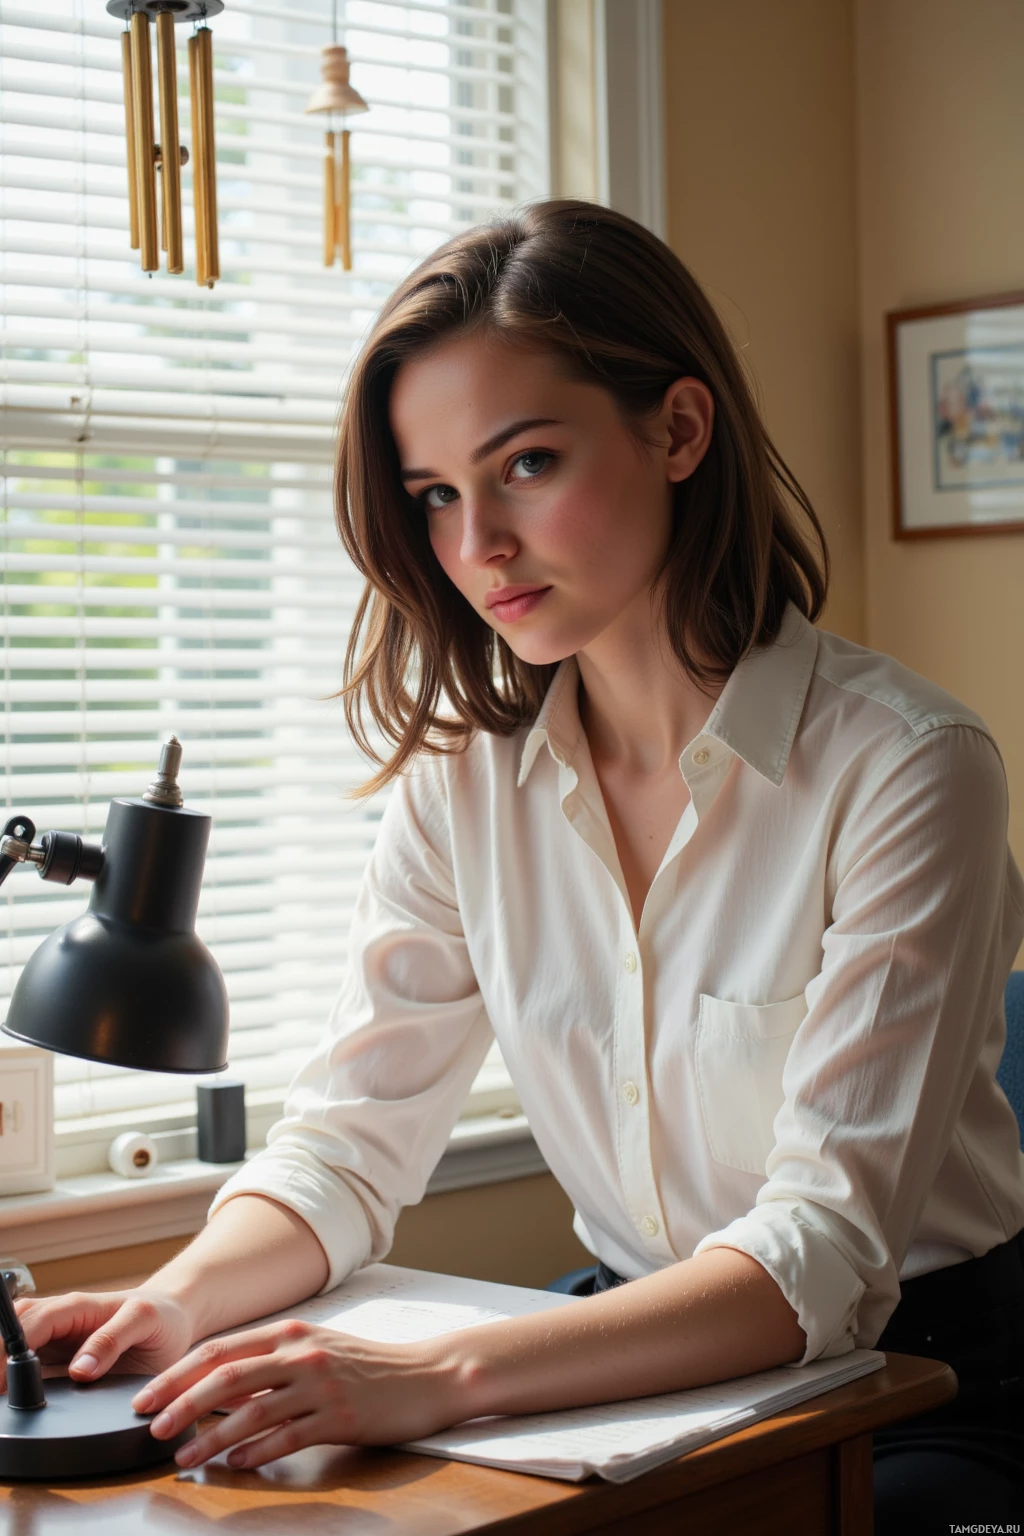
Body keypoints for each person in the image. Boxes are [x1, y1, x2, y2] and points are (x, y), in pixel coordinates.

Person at [8, 201, 1023, 1527]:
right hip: (634, 1358)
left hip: (924, 1385)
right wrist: (172, 1302)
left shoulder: (911, 768)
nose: (476, 542)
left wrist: (435, 1376)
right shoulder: (462, 786)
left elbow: (817, 1251)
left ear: (679, 430)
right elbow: (347, 1148)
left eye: (527, 463)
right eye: (436, 493)